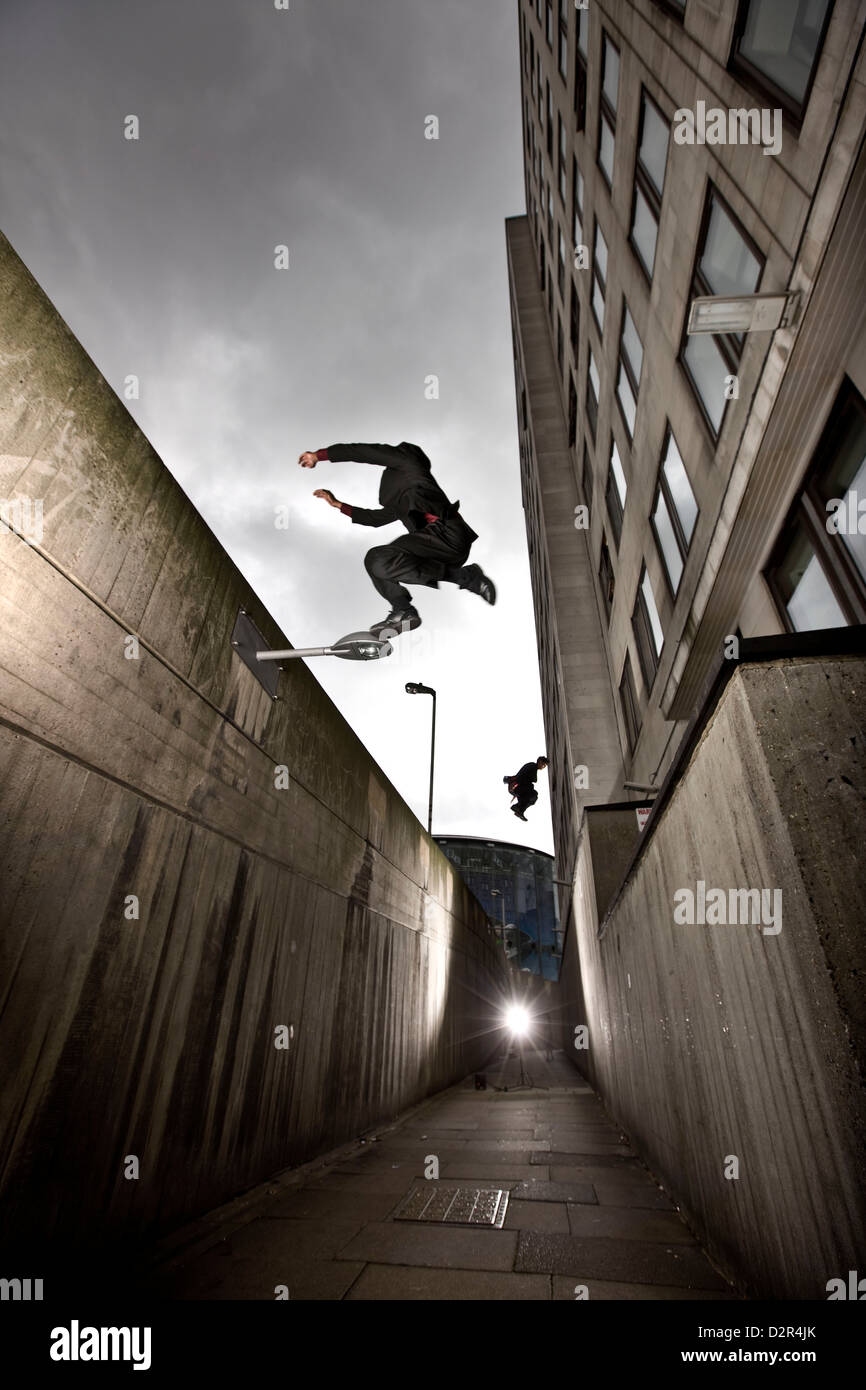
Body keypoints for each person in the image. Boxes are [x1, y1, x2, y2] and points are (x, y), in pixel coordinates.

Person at [298, 441, 496, 636]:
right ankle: (461, 582)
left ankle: (410, 607)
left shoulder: (408, 463)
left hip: (447, 531)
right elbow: (374, 519)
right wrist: (337, 504)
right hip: (442, 549)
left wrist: (319, 455)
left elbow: (364, 452)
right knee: (381, 563)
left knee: (379, 558)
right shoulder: (402, 503)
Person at [503, 756, 548, 821]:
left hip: (518, 789)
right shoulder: (532, 766)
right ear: (540, 762)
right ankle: (518, 808)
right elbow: (531, 779)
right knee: (533, 794)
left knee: (531, 796)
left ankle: (519, 810)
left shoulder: (531, 766)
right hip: (518, 787)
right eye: (544, 765)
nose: (543, 767)